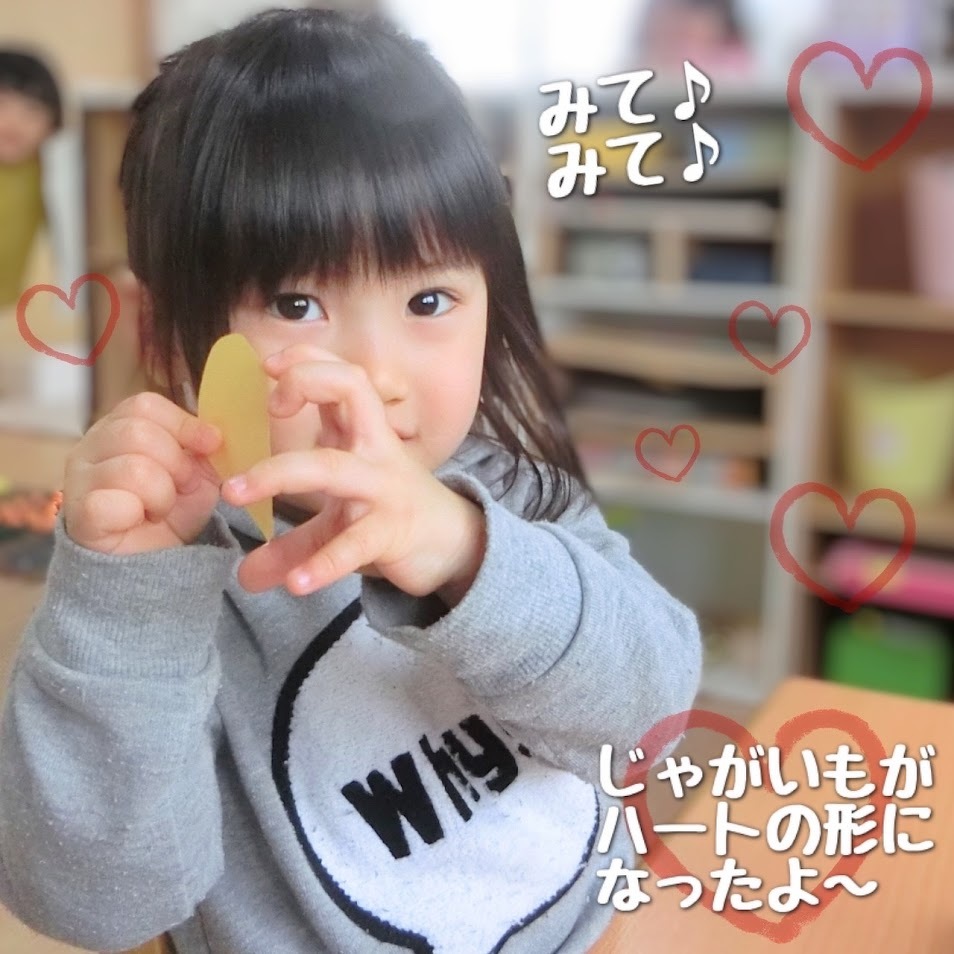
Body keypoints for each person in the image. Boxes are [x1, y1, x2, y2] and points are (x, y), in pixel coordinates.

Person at [0, 8, 701, 954]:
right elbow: (96, 906)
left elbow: (653, 719)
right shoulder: (158, 580)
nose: (377, 377)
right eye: (298, 303)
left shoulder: (508, 495)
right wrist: (123, 610)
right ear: (165, 336)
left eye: (429, 299)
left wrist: (462, 550)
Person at [0, 49, 63, 307]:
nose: (13, 122)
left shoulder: (51, 170)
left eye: (31, 110)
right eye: (2, 105)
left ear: (52, 125)